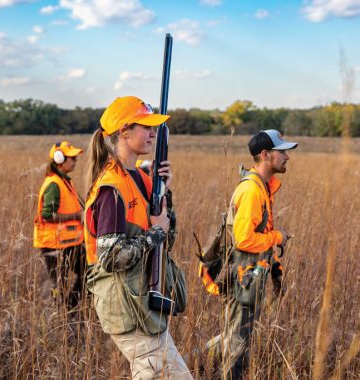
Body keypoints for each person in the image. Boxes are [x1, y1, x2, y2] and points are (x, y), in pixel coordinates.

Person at [84, 96, 193, 379]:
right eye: (145, 126)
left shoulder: (141, 179)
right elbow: (110, 258)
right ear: (124, 131)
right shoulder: (111, 187)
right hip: (127, 308)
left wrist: (163, 194)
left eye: (153, 127)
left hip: (143, 304)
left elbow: (166, 241)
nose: (153, 132)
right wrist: (155, 232)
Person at [207, 130, 298, 379]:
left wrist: (275, 267)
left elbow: (258, 234)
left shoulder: (262, 187)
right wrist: (278, 237)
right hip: (242, 280)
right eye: (282, 152)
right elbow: (244, 239)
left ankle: (194, 362)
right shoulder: (252, 191)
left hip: (248, 278)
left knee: (235, 339)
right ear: (265, 155)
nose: (287, 157)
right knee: (237, 346)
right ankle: (193, 363)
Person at [34, 141, 86, 310]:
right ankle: (62, 317)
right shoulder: (53, 184)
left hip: (69, 242)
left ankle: (70, 307)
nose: (76, 160)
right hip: (54, 243)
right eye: (72, 158)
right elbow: (47, 216)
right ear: (60, 159)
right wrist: (77, 216)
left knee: (89, 273)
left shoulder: (64, 181)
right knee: (59, 284)